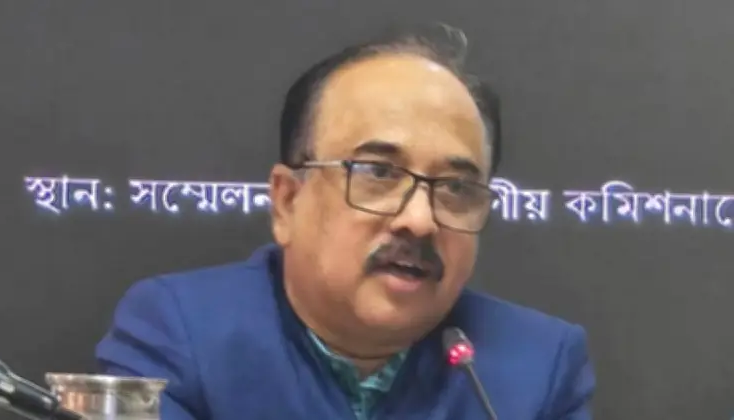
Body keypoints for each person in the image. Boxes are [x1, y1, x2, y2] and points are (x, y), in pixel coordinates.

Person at [95, 23, 595, 420]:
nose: (420, 221)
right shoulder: (180, 331)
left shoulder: (538, 365)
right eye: (378, 173)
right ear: (287, 202)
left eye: (456, 188)